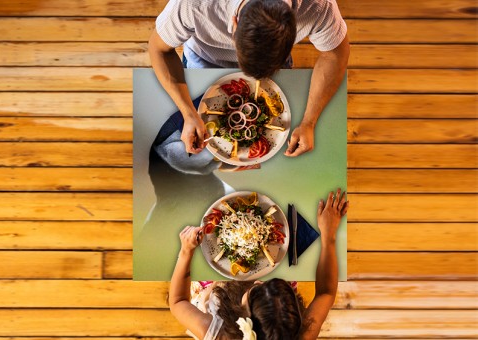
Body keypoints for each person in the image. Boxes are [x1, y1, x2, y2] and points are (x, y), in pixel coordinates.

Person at [149, 0, 350, 157]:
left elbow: (335, 55)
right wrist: (188, 114)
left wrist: (309, 122)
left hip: (277, 69)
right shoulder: (192, 4)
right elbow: (158, 49)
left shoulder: (318, 6)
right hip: (203, 60)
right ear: (234, 22)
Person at [169, 189, 348, 339]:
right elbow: (326, 293)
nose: (259, 281)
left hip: (217, 294)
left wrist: (186, 251)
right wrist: (329, 235)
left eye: (256, 289)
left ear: (244, 318)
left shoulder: (219, 334)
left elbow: (178, 302)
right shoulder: (300, 334)